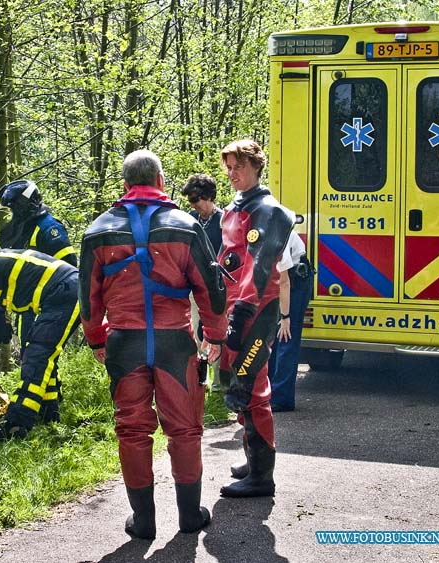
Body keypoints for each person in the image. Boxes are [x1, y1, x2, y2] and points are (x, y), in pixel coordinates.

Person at [79, 149, 227, 538]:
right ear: (160, 181)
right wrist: (215, 335)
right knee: (185, 429)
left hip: (124, 343)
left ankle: (143, 521)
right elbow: (211, 289)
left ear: (126, 184)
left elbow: (88, 297)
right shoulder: (186, 225)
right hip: (173, 343)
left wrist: (97, 340)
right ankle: (189, 516)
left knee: (131, 430)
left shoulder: (97, 230)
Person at [217, 139, 294, 498]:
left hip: (256, 309)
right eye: (229, 168)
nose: (233, 174)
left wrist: (242, 312)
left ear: (256, 167)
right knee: (236, 389)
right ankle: (253, 459)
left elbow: (259, 267)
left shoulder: (268, 211)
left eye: (240, 167)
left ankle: (263, 477)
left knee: (252, 389)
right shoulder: (235, 208)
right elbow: (227, 259)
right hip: (234, 306)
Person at [0, 238, 80, 439]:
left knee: (37, 356)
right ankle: (48, 412)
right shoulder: (1, 261)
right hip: (67, 290)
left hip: (65, 292)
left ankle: (17, 423)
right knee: (43, 356)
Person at [0, 179, 78, 358]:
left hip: (48, 305)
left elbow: (70, 269)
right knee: (30, 355)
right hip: (28, 305)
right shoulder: (23, 229)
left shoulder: (49, 228)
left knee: (38, 356)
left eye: (13, 208)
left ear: (24, 205)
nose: (12, 214)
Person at [181, 174, 226, 392]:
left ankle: (219, 382)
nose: (193, 205)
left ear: (208, 196)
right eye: (190, 201)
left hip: (217, 288)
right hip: (192, 287)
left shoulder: (223, 220)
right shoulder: (191, 219)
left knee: (216, 333)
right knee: (195, 332)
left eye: (196, 199)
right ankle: (201, 378)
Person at [267, 230, 314, 412]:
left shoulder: (275, 235)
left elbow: (284, 281)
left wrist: (285, 317)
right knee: (274, 338)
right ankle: (268, 392)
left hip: (295, 281)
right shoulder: (255, 228)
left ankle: (281, 399)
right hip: (281, 281)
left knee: (286, 336)